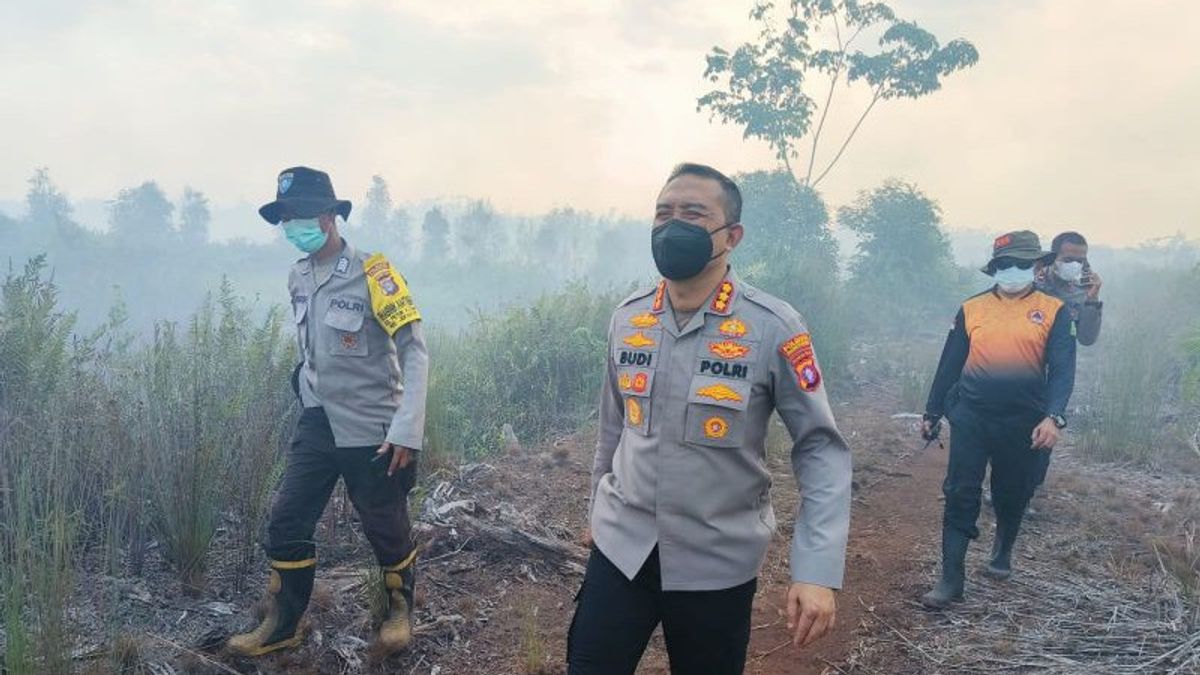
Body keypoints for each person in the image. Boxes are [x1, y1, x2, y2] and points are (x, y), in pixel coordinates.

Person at [567, 163, 853, 674]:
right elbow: (613, 427)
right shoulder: (629, 317)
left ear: (731, 235)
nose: (673, 225)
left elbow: (820, 447)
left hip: (716, 561)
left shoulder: (773, 327)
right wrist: (596, 511)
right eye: (663, 213)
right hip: (622, 546)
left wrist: (816, 570)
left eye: (693, 214)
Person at [228, 166, 429, 656]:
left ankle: (401, 611)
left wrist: (406, 429)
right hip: (319, 420)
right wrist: (302, 382)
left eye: (297, 216)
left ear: (327, 216)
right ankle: (283, 622)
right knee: (287, 519)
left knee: (385, 524)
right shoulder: (298, 276)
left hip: (372, 425)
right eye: (283, 218)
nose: (290, 226)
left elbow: (414, 350)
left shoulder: (374, 273)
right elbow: (311, 346)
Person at [919, 230, 1076, 609]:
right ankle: (951, 578)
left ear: (1036, 266)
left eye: (1022, 263)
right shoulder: (971, 309)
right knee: (960, 491)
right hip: (972, 415)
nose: (1012, 271)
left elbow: (1062, 370)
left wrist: (1053, 417)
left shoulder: (1054, 310)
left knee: (1011, 491)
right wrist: (933, 410)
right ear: (994, 269)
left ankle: (1003, 549)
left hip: (1024, 421)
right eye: (1004, 265)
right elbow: (950, 364)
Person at [1026, 231, 1103, 496]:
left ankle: (1031, 488)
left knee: (1047, 429)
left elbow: (1087, 338)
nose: (1076, 264)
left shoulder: (1081, 290)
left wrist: (1092, 299)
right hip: (1025, 365)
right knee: (1014, 427)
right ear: (1054, 257)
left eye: (1081, 259)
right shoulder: (1032, 282)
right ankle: (1003, 483)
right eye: (1069, 258)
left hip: (1057, 374)